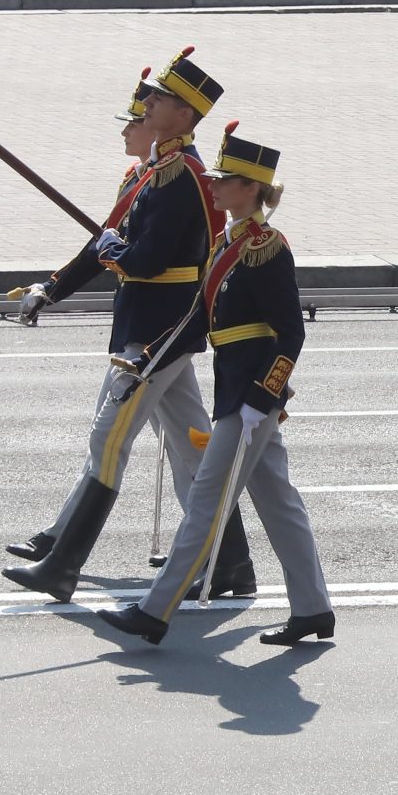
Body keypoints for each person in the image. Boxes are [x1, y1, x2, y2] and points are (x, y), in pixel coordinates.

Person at [6, 54, 257, 605]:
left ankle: (61, 566)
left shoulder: (183, 176)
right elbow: (108, 239)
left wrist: (112, 248)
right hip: (150, 327)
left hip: (160, 331)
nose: (147, 106)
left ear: (186, 113)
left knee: (108, 438)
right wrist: (54, 287)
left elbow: (141, 259)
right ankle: (232, 562)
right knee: (194, 449)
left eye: (159, 100)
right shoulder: (156, 172)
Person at [100, 128, 334, 650]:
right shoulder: (229, 244)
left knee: (206, 499)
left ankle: (153, 612)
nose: (213, 185)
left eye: (224, 180)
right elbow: (197, 322)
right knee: (278, 502)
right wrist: (150, 358)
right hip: (237, 392)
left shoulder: (266, 249)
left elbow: (290, 333)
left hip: (249, 397)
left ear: (250, 189)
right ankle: (314, 608)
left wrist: (260, 399)